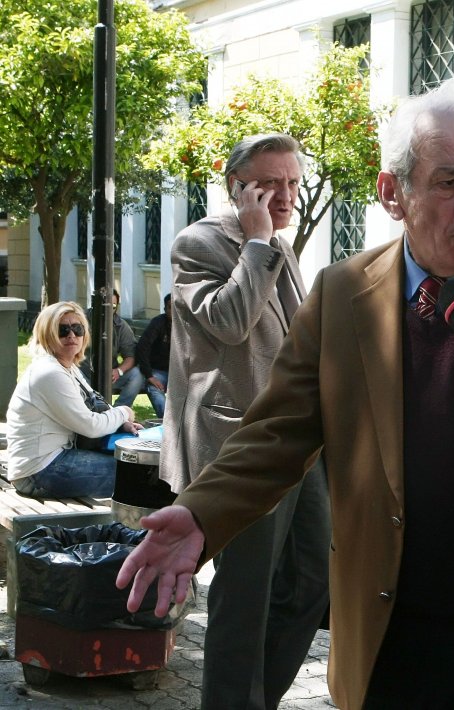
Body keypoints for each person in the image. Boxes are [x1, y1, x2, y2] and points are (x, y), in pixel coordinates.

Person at [117, 81, 454, 709]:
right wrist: (201, 514)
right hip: (381, 643)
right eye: (449, 181)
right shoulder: (341, 296)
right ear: (392, 194)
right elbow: (276, 433)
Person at [158, 133, 331, 710]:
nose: (286, 195)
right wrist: (256, 242)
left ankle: (256, 699)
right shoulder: (200, 243)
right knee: (245, 598)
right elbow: (230, 322)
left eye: (292, 183)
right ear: (239, 187)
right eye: (270, 184)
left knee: (311, 583)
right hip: (237, 447)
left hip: (297, 443)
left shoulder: (281, 245)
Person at [5, 301, 143, 498]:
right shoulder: (49, 372)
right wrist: (124, 412)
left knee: (136, 465)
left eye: (77, 329)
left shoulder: (67, 367)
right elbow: (90, 425)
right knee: (136, 474)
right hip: (38, 472)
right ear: (47, 335)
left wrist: (122, 424)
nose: (71, 335)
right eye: (62, 330)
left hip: (52, 460)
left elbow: (95, 405)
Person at [135, 294, 172, 418]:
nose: (174, 311)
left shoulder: (188, 325)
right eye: (170, 307)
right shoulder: (158, 323)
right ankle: (167, 421)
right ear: (165, 309)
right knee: (154, 388)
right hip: (158, 371)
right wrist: (149, 375)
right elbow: (142, 347)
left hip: (180, 375)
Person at [109, 289, 145, 408]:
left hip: (110, 375)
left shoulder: (121, 326)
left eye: (113, 306)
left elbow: (131, 355)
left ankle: (118, 411)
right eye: (105, 305)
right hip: (84, 374)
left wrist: (119, 371)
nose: (109, 309)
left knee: (137, 375)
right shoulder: (82, 320)